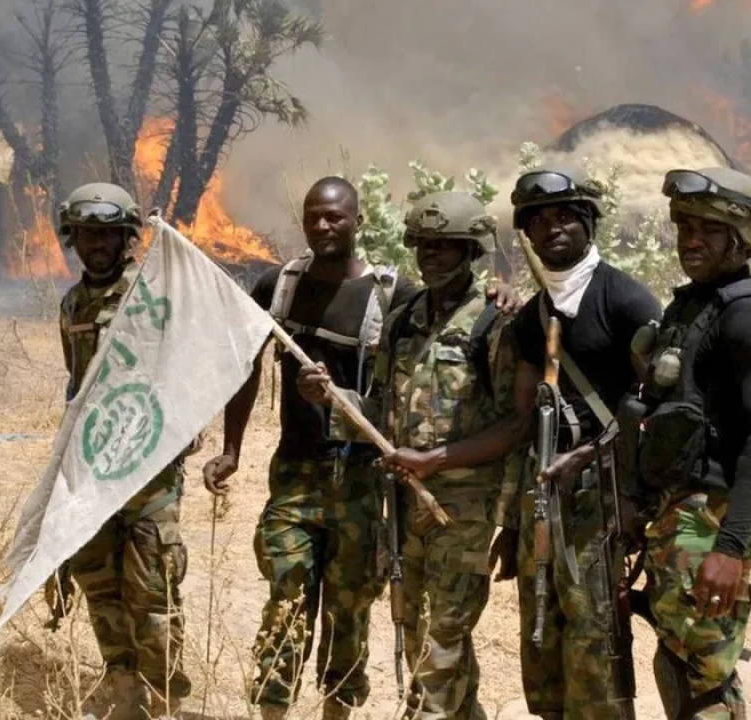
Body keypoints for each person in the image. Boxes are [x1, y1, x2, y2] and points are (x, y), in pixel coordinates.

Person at [203, 177, 521, 720]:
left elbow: (509, 414)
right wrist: (244, 442)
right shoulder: (293, 289)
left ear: (358, 221)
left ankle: (344, 707)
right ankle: (274, 706)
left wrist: (502, 290)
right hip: (314, 480)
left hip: (386, 487)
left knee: (363, 611)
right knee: (293, 597)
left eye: (335, 216)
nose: (323, 225)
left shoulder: (411, 302)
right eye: (313, 215)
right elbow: (253, 368)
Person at [299, 191, 523, 720]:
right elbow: (379, 409)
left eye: (445, 246)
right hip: (404, 508)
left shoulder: (496, 321)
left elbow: (514, 425)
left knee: (441, 640)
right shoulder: (404, 318)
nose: (431, 256)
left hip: (461, 512)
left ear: (470, 251)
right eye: (423, 245)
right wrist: (331, 397)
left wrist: (438, 461)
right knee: (418, 632)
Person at [625, 167, 751, 720]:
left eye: (709, 229)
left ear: (741, 238)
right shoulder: (692, 306)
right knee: (678, 657)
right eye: (685, 226)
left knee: (703, 674)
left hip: (712, 519)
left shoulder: (748, 314)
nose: (691, 240)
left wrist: (730, 548)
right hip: (676, 512)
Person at [501, 166, 665, 720]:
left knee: (596, 638)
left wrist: (626, 493)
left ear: (589, 223)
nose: (553, 228)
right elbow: (523, 419)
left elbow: (661, 410)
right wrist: (513, 523)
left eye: (566, 216)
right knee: (542, 638)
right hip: (544, 501)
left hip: (602, 496)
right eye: (539, 220)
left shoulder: (625, 300)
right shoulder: (532, 317)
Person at [56, 182, 194, 720]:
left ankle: (162, 703)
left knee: (153, 598)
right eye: (87, 234)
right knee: (100, 588)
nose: (97, 244)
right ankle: (125, 694)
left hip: (147, 478)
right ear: (73, 237)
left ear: (126, 237)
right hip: (93, 477)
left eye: (108, 234)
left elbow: (184, 371)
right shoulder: (72, 305)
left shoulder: (149, 297)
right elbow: (76, 388)